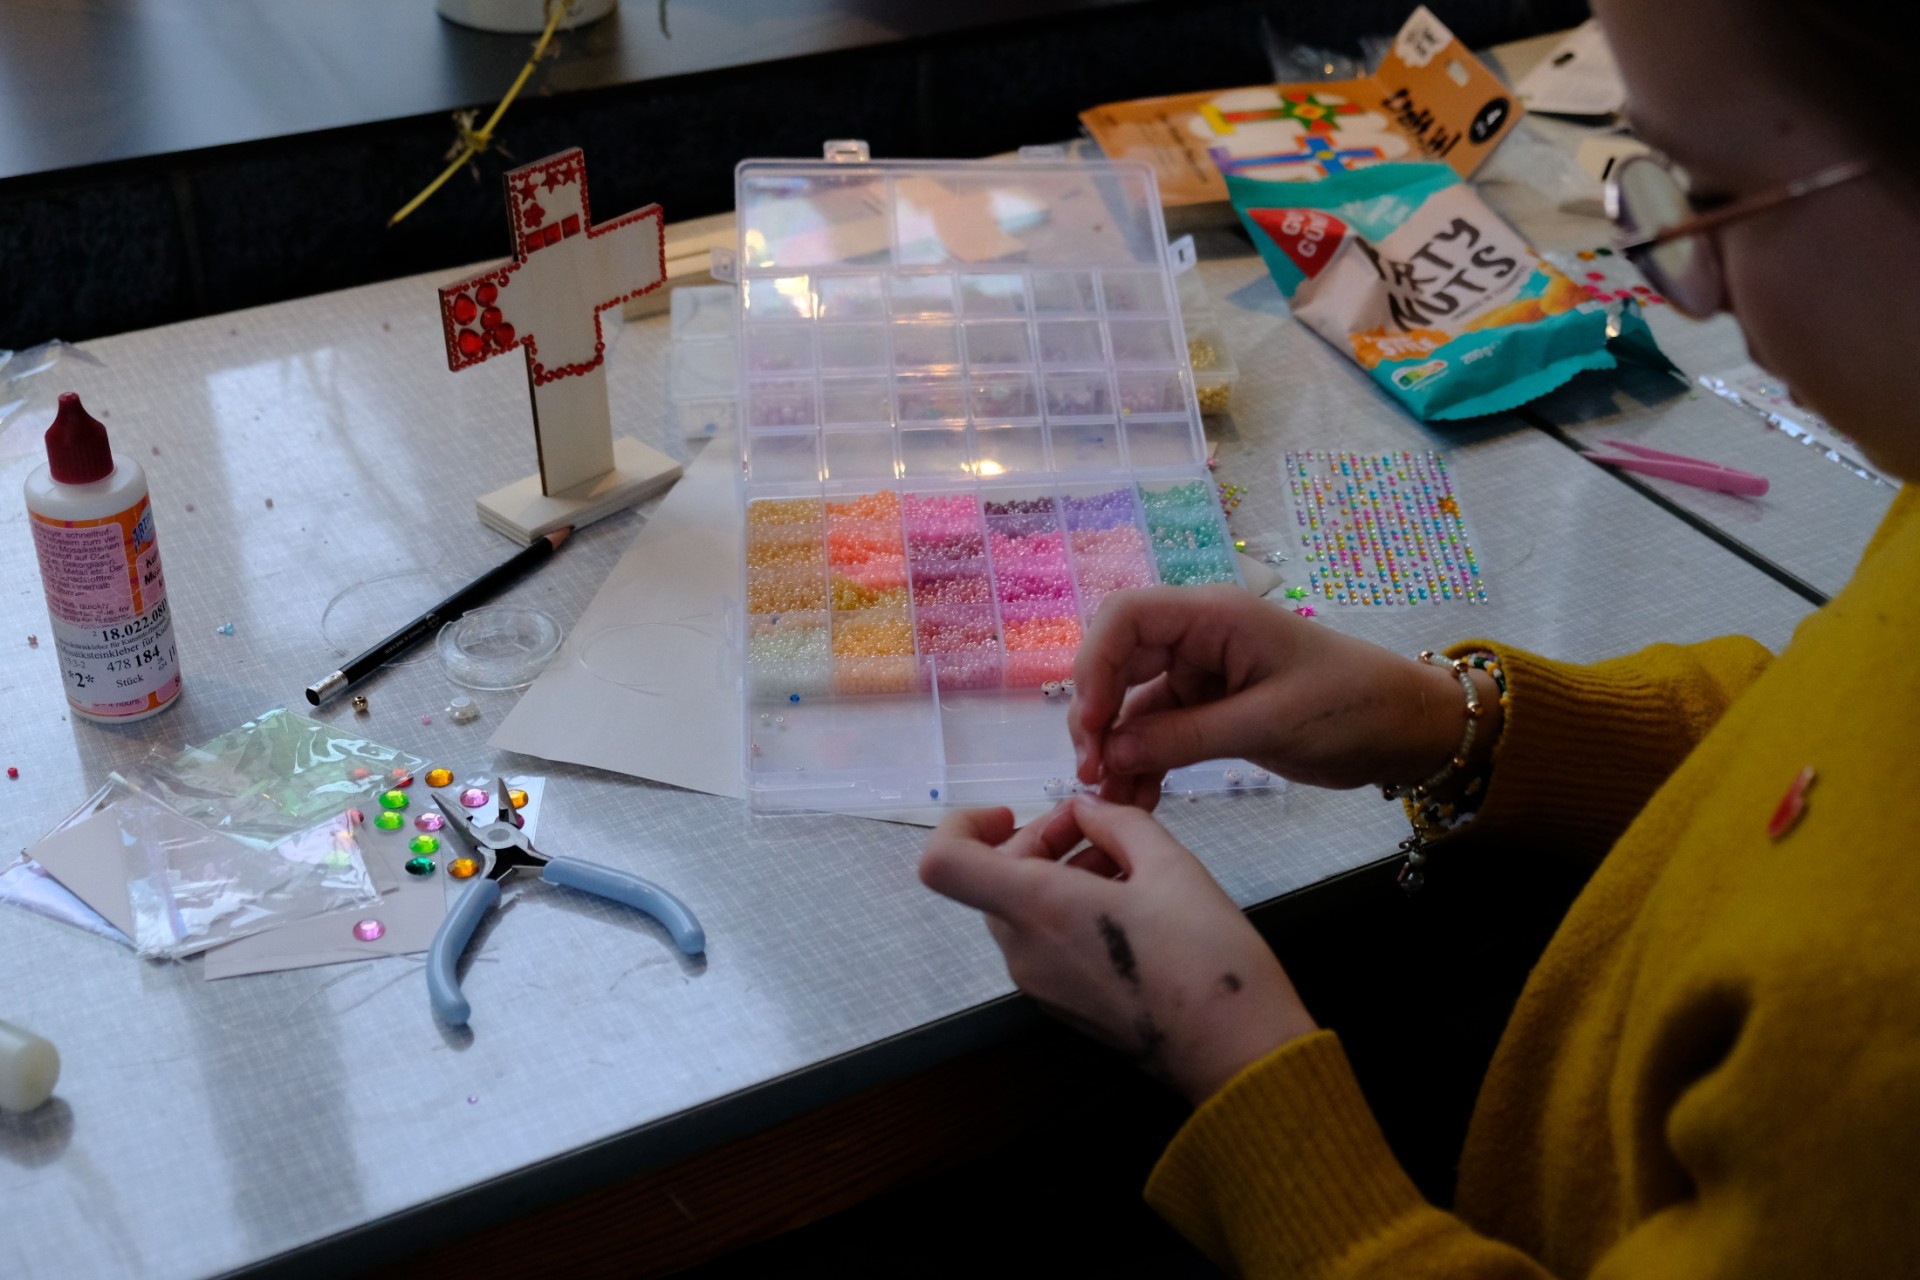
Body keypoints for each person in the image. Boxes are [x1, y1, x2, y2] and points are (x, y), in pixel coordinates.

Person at [919, 0, 1920, 1274]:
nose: (1698, 292)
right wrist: (1449, 722)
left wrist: (1235, 1058)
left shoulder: (1880, 1059)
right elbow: (1819, 741)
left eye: (1715, 193)